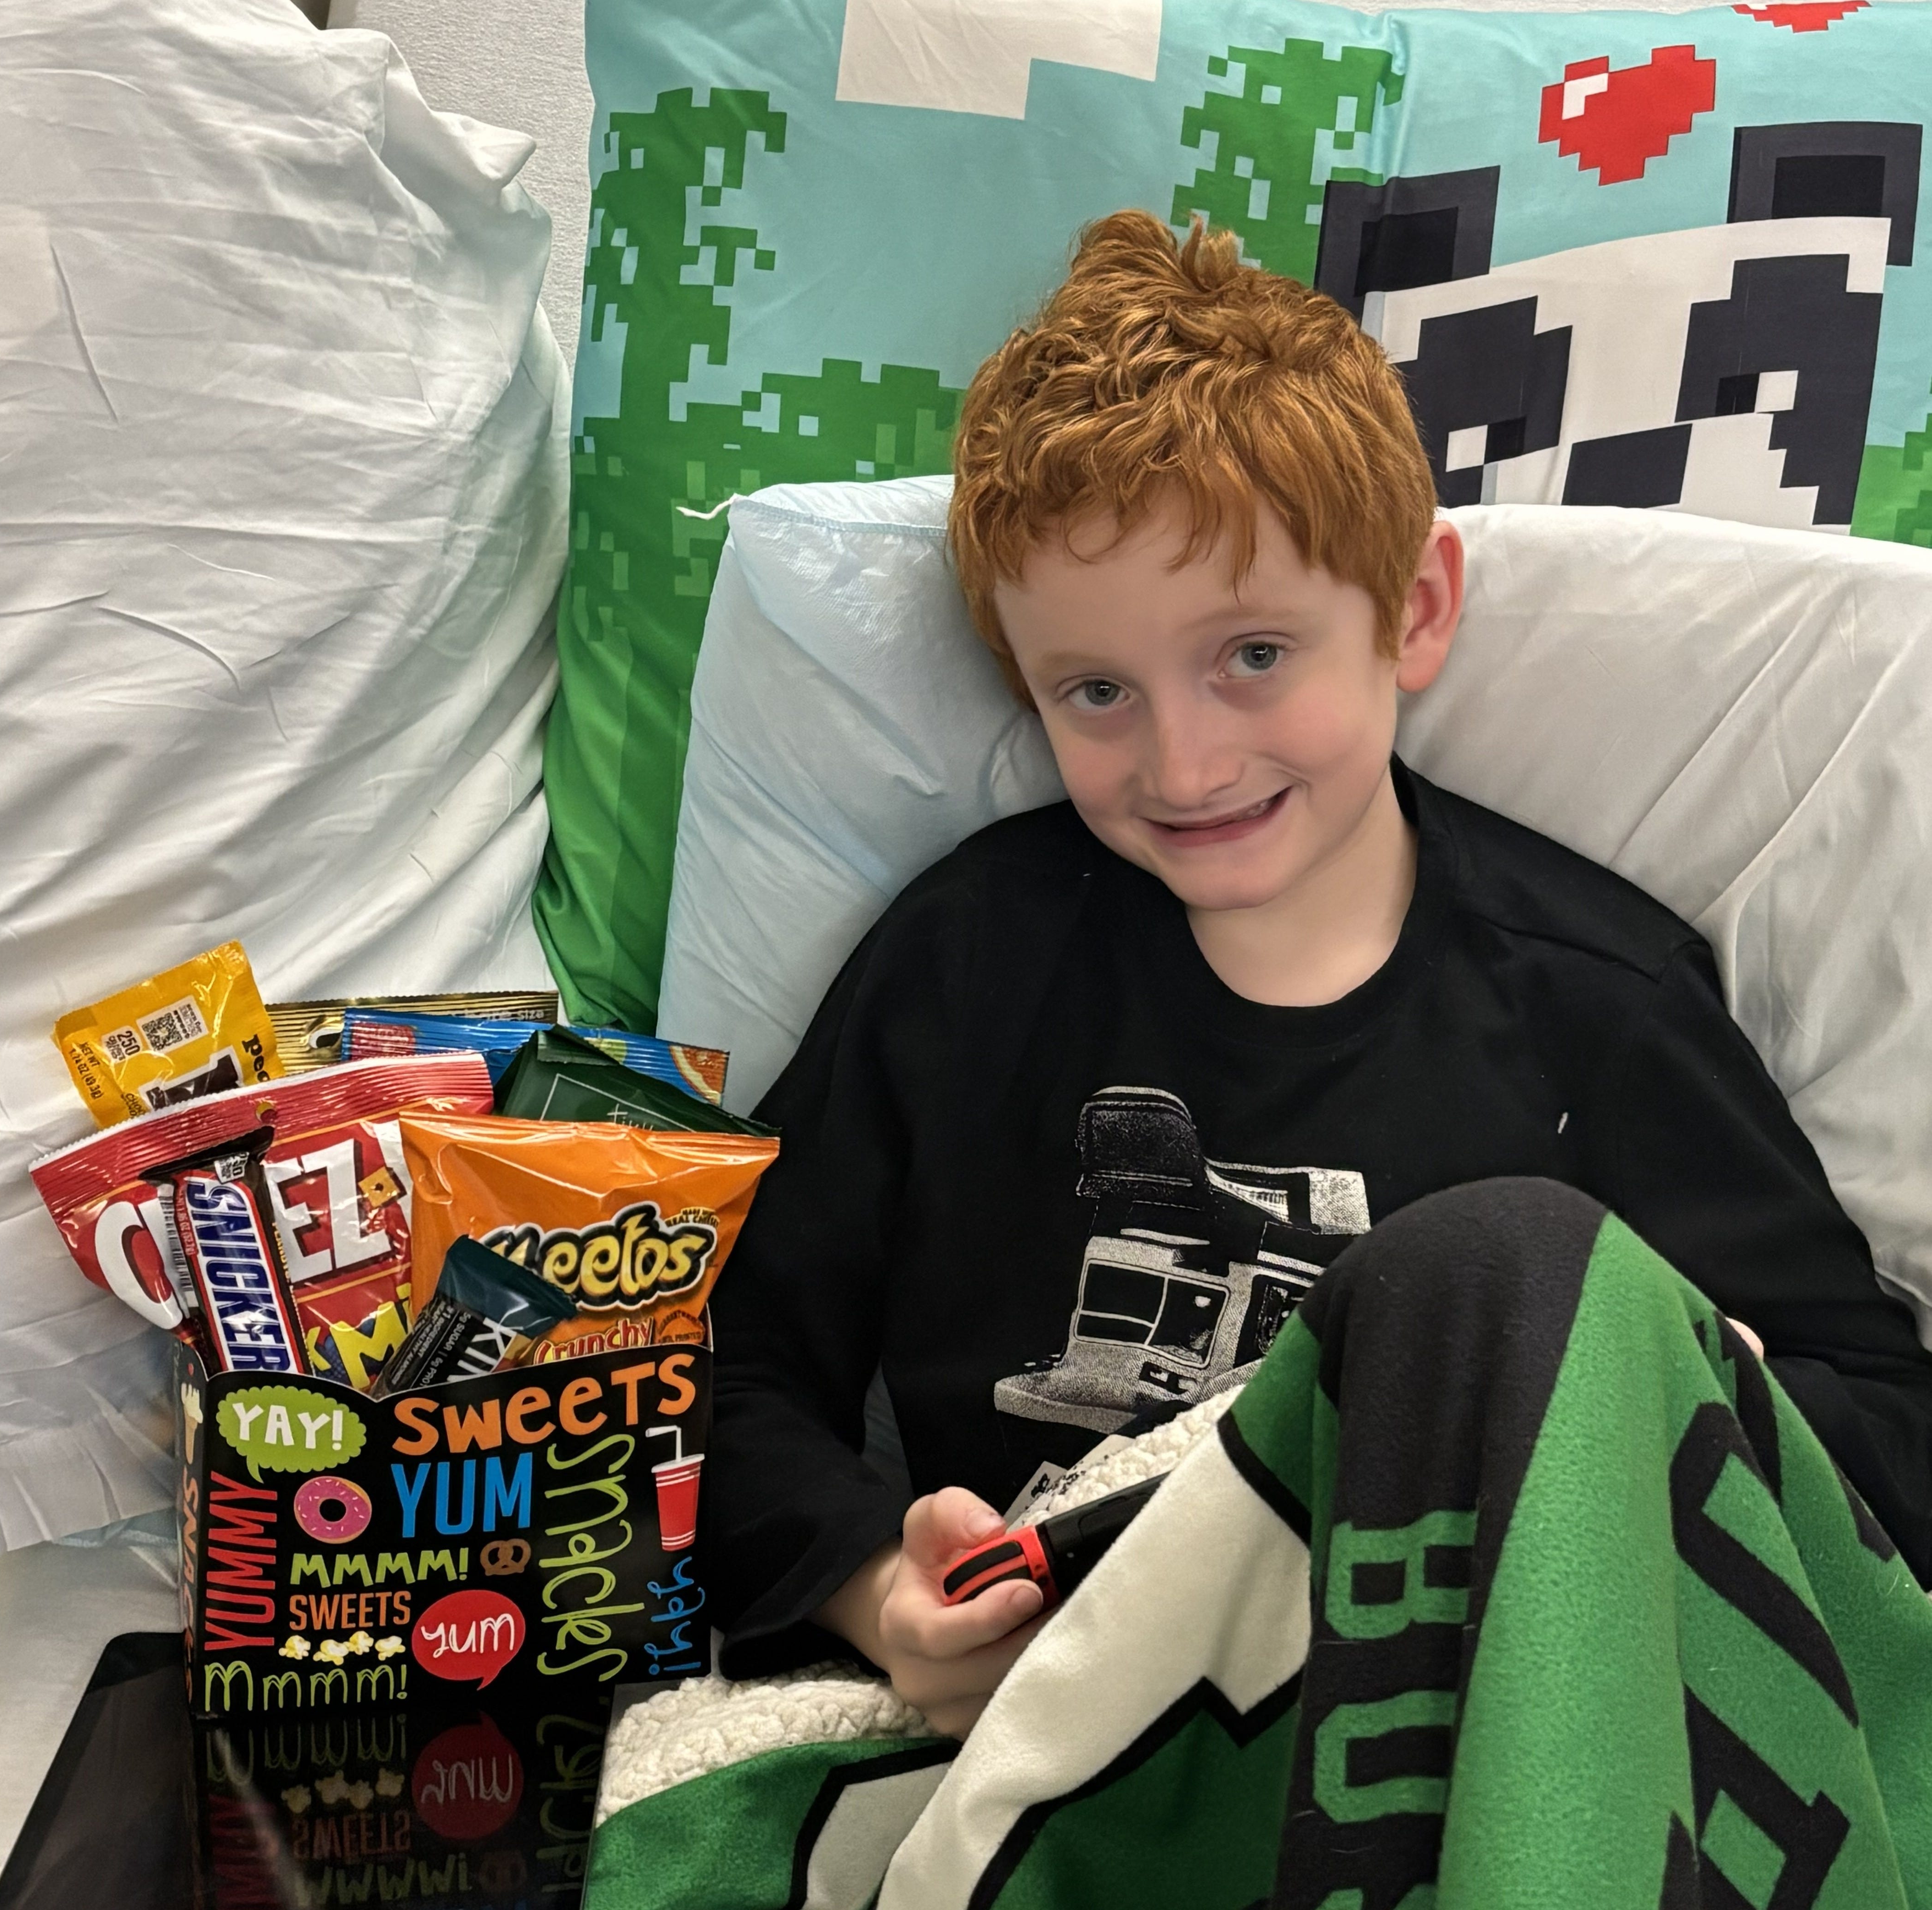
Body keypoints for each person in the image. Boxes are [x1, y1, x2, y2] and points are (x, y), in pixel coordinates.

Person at [700, 209, 1932, 1736]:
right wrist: (879, 1590)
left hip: (1471, 1734)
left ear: (1411, 611)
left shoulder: (1591, 1007)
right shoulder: (967, 964)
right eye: (1095, 691)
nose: (1184, 762)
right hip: (1048, 1733)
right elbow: (725, 1369)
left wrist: (1688, 1385)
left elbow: (1890, 1440)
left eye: (1253, 656)